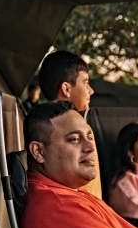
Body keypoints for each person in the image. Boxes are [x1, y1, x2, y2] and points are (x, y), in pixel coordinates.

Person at [37, 50, 101, 197]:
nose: (91, 91)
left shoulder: (42, 128)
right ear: (66, 88)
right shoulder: (81, 129)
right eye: (85, 82)